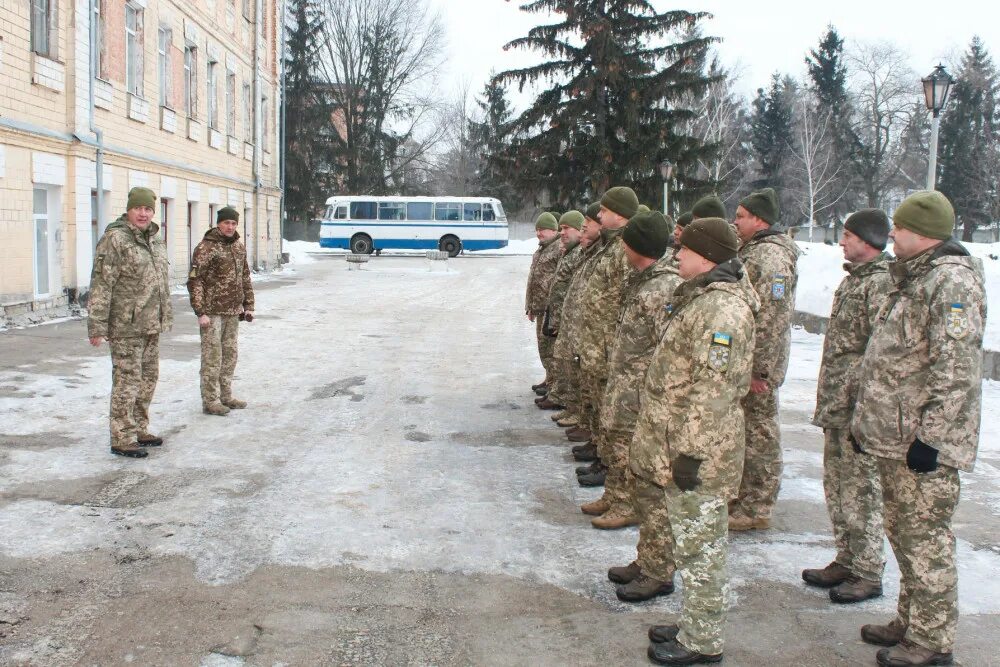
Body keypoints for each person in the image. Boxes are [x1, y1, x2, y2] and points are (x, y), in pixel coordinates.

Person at [851, 191, 985, 667]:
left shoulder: (951, 283)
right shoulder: (912, 277)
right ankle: (911, 622)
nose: (891, 235)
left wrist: (932, 437)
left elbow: (956, 370)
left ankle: (932, 641)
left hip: (921, 442)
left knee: (926, 539)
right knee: (905, 534)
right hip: (894, 435)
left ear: (923, 233)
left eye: (899, 228)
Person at [636, 217, 758, 665]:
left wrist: (690, 453)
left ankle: (703, 642)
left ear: (706, 257)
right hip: (682, 443)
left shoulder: (721, 310)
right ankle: (695, 624)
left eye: (683, 250)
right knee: (691, 543)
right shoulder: (703, 298)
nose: (676, 256)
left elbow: (714, 392)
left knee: (702, 547)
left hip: (700, 451)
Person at [802, 209, 891, 604]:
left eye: (848, 235)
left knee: (862, 490)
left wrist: (865, 409)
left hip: (860, 411)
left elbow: (880, 353)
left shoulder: (881, 284)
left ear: (868, 240)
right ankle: (847, 558)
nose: (841, 241)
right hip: (839, 405)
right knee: (838, 486)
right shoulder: (856, 280)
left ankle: (869, 571)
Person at [597, 210, 682, 603]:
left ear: (640, 247)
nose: (624, 250)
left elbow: (670, 355)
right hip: (630, 398)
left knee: (653, 487)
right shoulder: (644, 282)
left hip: (648, 404)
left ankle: (659, 569)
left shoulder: (663, 289)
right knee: (641, 486)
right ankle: (648, 559)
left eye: (628, 244)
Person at [728, 187, 800, 531]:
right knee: (747, 432)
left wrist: (761, 370)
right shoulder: (752, 252)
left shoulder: (769, 259)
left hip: (758, 367)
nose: (735, 221)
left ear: (759, 219)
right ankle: (744, 498)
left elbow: (772, 319)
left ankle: (757, 505)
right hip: (746, 362)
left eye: (740, 216)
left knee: (760, 435)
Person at [87, 187, 172, 458]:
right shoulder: (115, 239)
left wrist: (164, 316)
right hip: (125, 325)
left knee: (148, 378)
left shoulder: (155, 239)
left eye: (148, 209)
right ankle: (122, 437)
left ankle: (139, 428)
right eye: (139, 208)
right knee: (127, 381)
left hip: (151, 324)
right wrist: (97, 325)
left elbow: (160, 281)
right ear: (129, 209)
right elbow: (102, 283)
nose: (144, 214)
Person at [575, 188, 640, 491]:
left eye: (604, 211)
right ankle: (602, 456)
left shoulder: (627, 247)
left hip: (611, 345)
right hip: (597, 343)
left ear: (620, 213)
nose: (598, 216)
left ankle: (610, 466)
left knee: (613, 413)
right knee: (600, 406)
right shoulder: (610, 245)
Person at [188, 206, 255, 416]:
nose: (230, 227)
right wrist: (200, 311)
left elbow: (244, 277)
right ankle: (210, 400)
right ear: (218, 223)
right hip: (212, 312)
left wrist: (248, 305)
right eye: (227, 223)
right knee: (212, 357)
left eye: (234, 223)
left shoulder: (238, 247)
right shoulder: (206, 248)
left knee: (229, 355)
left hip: (232, 311)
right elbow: (195, 280)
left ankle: (226, 395)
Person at [542, 210, 587, 417]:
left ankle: (572, 408)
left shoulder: (579, 253)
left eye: (567, 228)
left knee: (570, 366)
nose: (563, 233)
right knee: (560, 361)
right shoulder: (569, 251)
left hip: (571, 320)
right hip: (560, 315)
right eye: (560, 229)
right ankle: (567, 403)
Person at [525, 212, 563, 396]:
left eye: (543, 230)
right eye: (537, 229)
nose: (539, 233)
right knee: (543, 347)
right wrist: (530, 306)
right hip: (539, 307)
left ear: (554, 230)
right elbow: (533, 280)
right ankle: (549, 379)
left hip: (551, 309)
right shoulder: (541, 249)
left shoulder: (558, 249)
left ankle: (554, 385)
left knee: (551, 349)